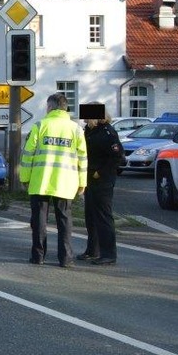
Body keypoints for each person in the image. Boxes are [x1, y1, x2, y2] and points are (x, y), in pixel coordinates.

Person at [19, 93, 87, 267]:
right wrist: (82, 182)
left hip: (40, 181)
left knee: (39, 220)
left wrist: (24, 178)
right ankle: (66, 258)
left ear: (50, 107)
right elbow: (83, 158)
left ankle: (38, 256)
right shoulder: (76, 129)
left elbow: (28, 155)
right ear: (65, 108)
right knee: (64, 221)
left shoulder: (40, 125)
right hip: (65, 182)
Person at [80, 104, 123, 265]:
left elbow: (117, 157)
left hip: (103, 180)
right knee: (90, 215)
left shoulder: (107, 132)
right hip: (89, 178)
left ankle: (109, 253)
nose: (83, 116)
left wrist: (100, 172)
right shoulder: (89, 130)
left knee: (103, 217)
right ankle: (92, 250)